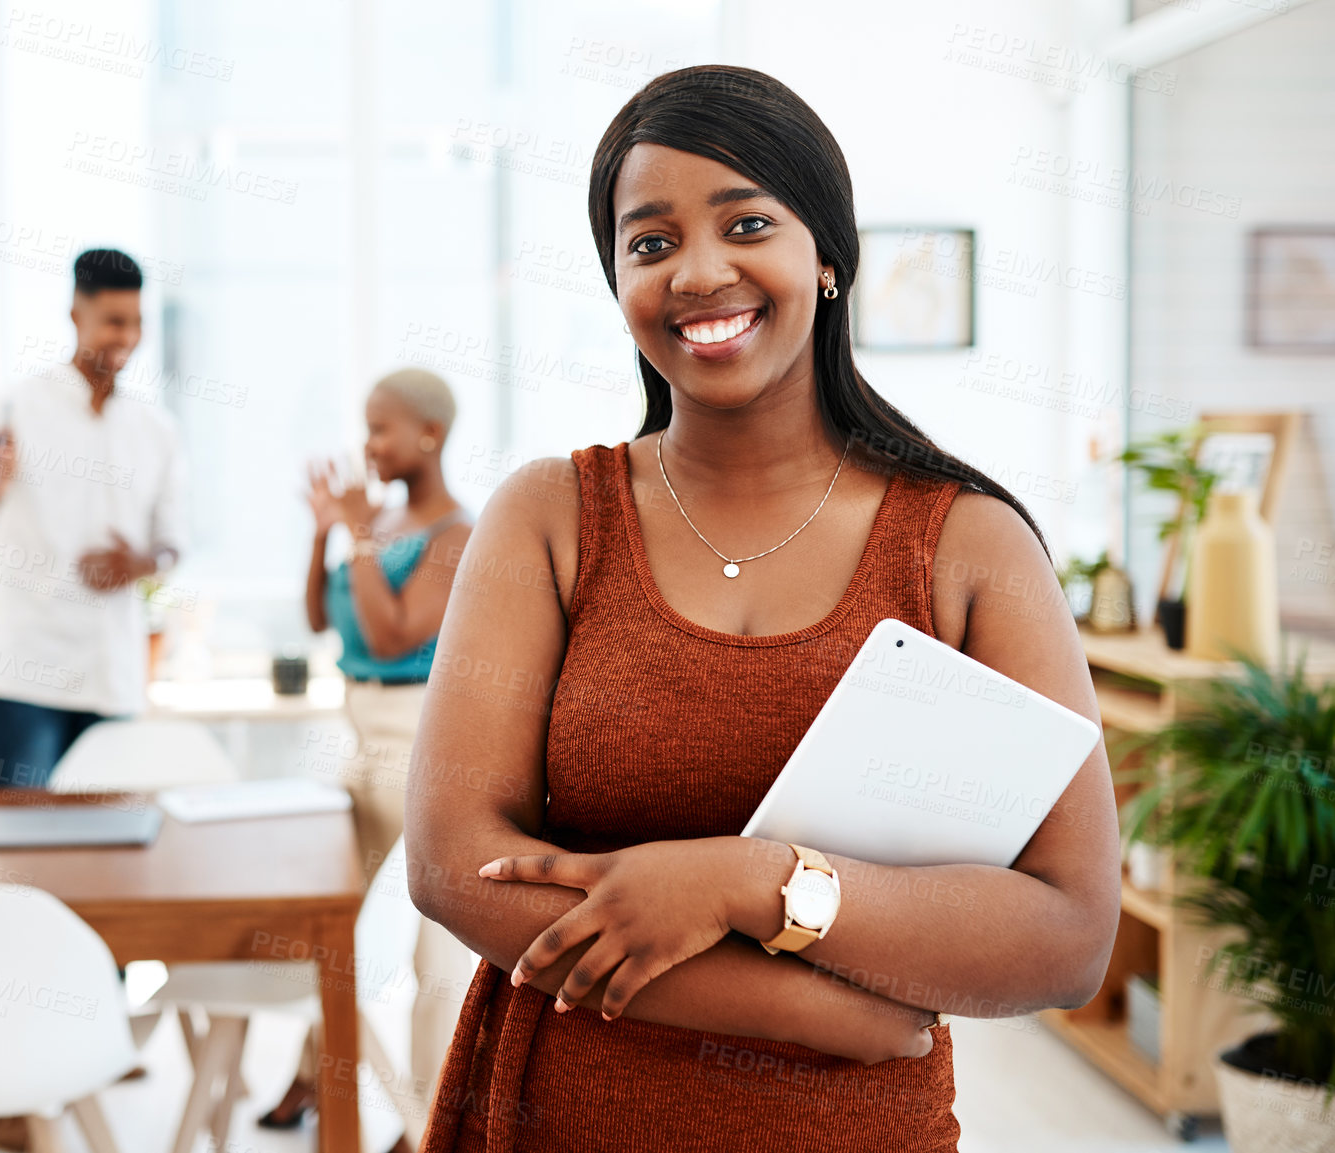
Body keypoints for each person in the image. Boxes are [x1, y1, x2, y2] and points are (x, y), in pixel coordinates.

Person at [406, 66, 1121, 1152]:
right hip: (556, 1114)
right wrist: (812, 1007)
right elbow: (453, 865)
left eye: (746, 221)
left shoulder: (966, 545)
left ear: (826, 256)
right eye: (648, 243)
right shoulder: (549, 517)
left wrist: (752, 882)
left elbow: (1066, 932)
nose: (697, 272)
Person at [257, 368, 479, 1153]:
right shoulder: (373, 519)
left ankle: (427, 1124)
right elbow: (324, 617)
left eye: (381, 429)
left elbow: (390, 636)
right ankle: (318, 1074)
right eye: (364, 427)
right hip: (361, 743)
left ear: (430, 435)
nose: (368, 445)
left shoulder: (457, 534)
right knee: (322, 925)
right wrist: (327, 530)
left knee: (436, 957)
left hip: (422, 750)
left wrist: (353, 533)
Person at [0, 248, 186, 791]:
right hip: (25, 677)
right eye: (112, 322)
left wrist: (141, 563)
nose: (126, 337)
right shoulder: (15, 408)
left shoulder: (156, 430)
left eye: (136, 322)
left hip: (112, 677)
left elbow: (174, 542)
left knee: (112, 857)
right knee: (25, 849)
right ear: (76, 315)